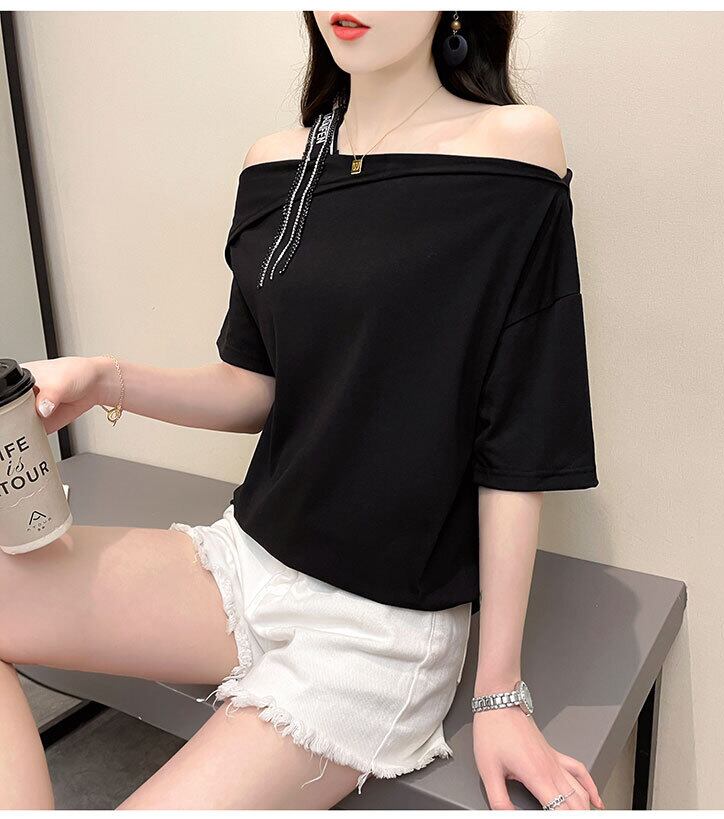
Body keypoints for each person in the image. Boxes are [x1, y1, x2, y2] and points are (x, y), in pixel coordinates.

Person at [1, 11, 604, 810]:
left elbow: (517, 439)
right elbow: (254, 386)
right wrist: (105, 378)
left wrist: (499, 692)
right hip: (246, 561)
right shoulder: (275, 163)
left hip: (381, 628)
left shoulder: (514, 150)